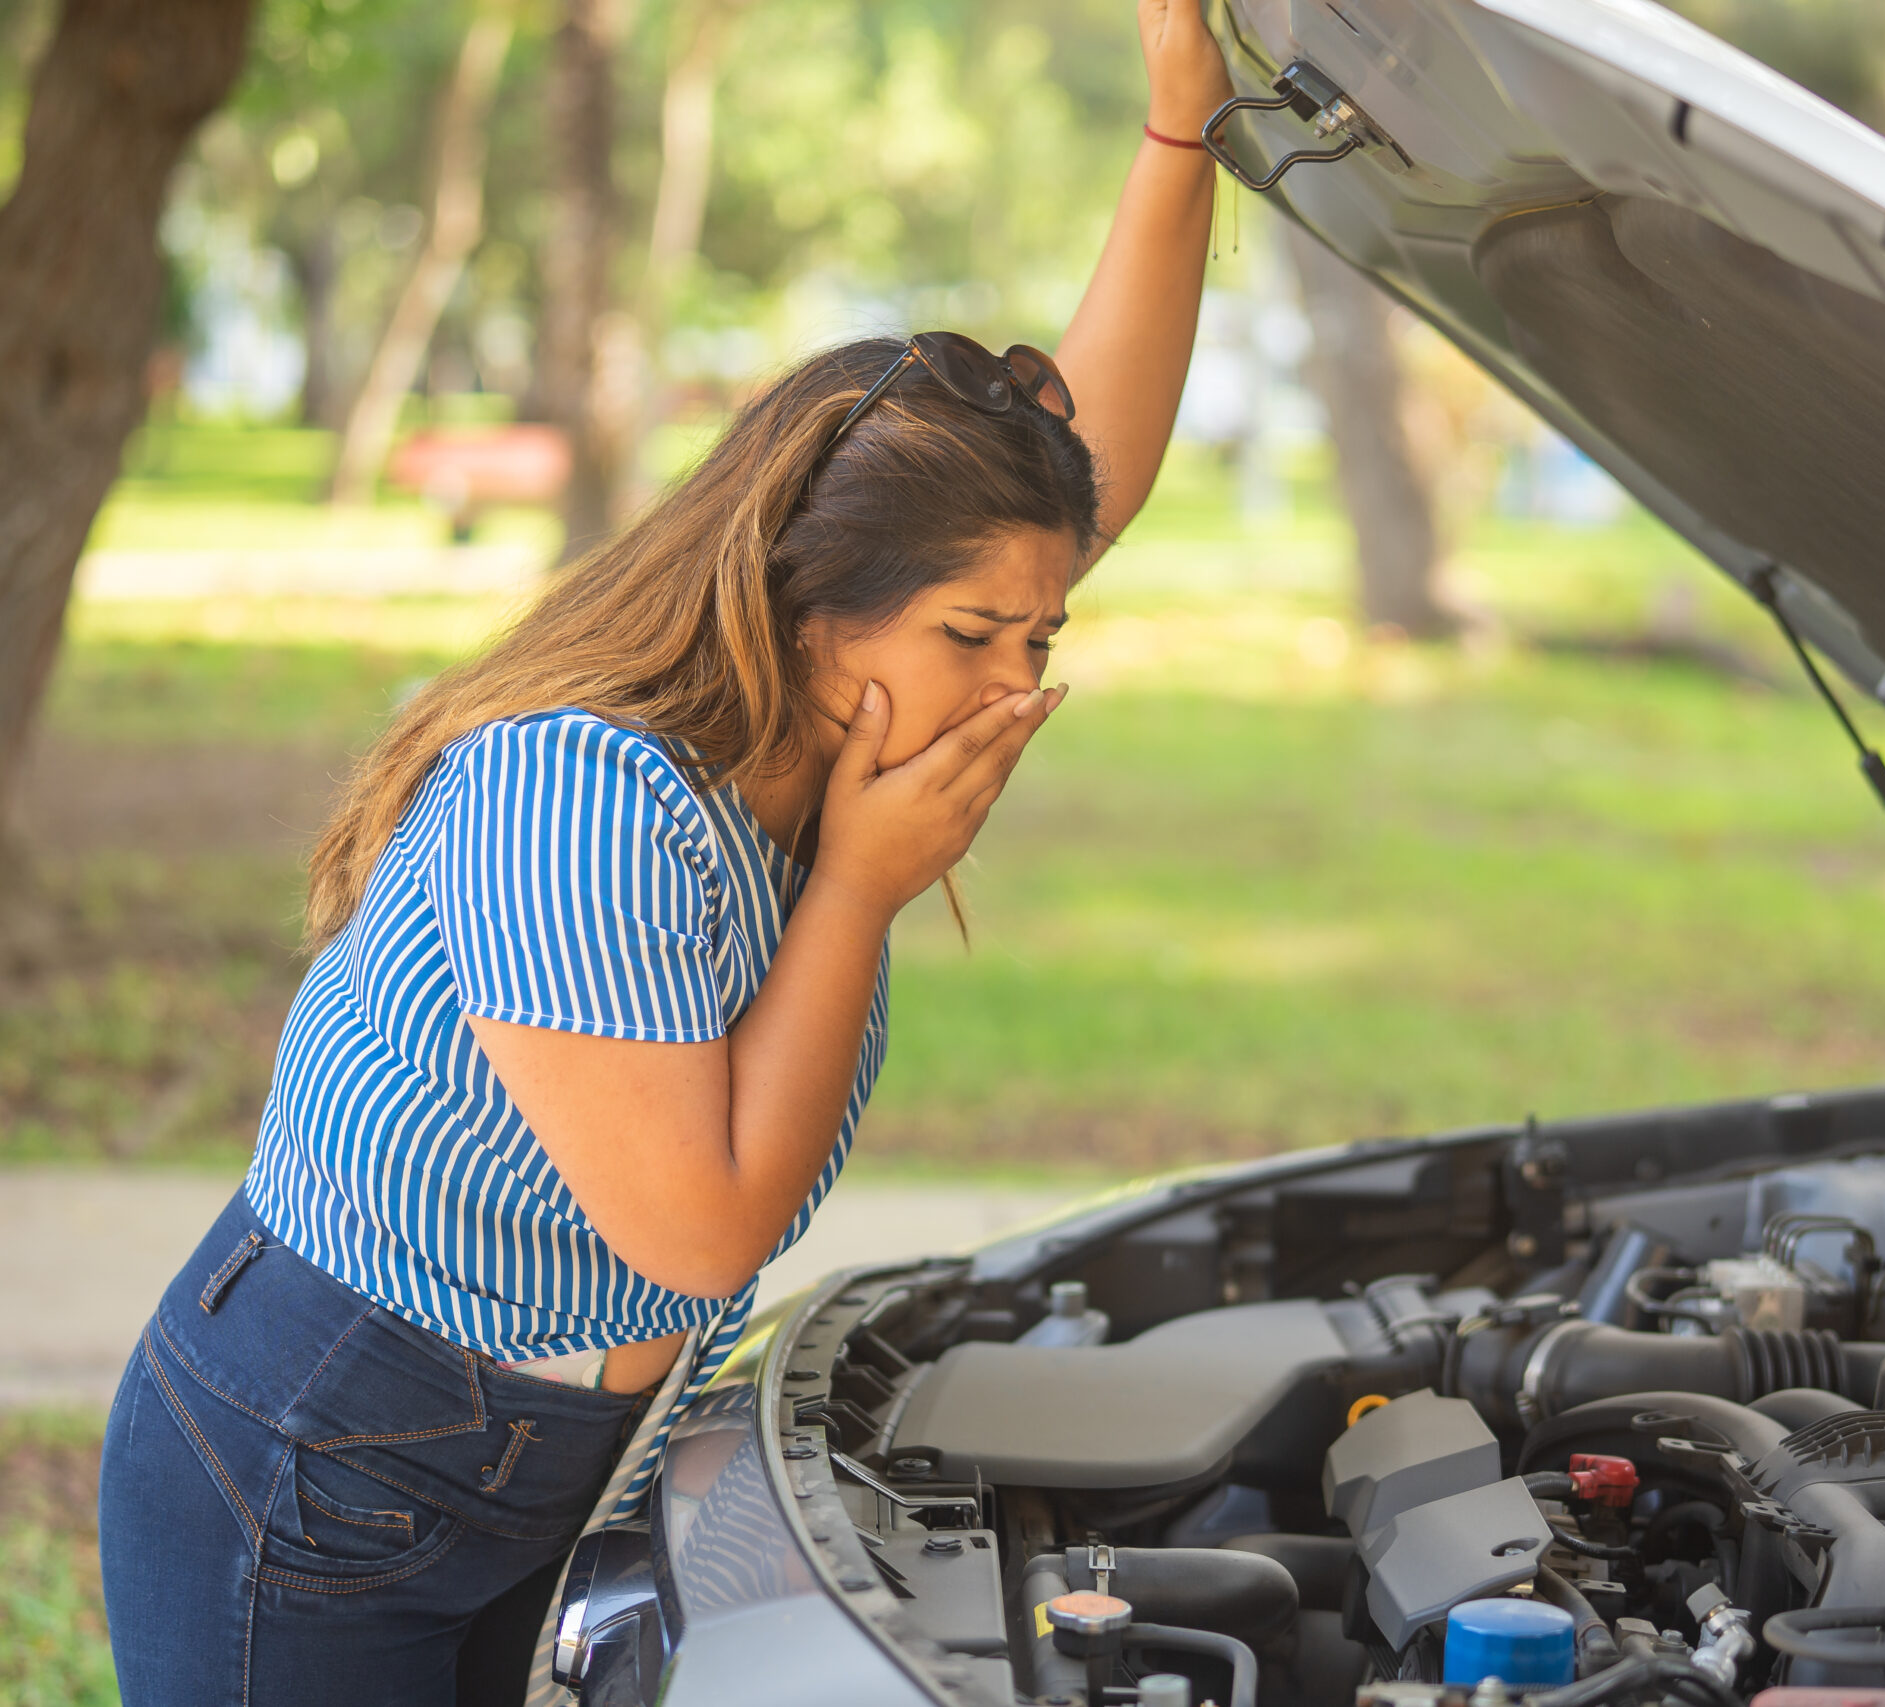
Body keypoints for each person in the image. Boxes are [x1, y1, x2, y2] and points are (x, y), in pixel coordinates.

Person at [95, 5, 1232, 1701]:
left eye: (1041, 638)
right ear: (809, 594)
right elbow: (694, 1236)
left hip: (535, 1464)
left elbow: (1094, 476)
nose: (1023, 689)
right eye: (978, 635)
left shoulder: (824, 736)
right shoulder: (587, 801)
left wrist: (1176, 133)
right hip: (320, 1467)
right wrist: (858, 889)